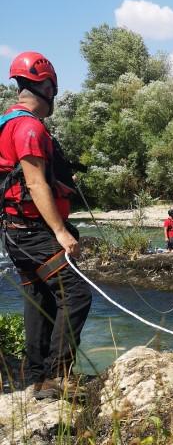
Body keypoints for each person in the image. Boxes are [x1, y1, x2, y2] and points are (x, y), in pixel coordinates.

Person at [0, 52, 92, 399]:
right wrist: (60, 231)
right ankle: (58, 375)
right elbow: (36, 184)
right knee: (76, 293)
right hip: (36, 232)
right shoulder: (29, 127)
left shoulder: (7, 121)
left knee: (39, 298)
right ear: (47, 86)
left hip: (14, 232)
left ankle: (38, 379)